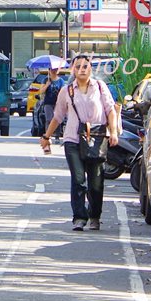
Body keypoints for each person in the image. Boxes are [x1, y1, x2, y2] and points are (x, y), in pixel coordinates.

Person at [41, 54, 120, 231]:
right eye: (78, 66)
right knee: (78, 180)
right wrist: (46, 137)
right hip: (73, 140)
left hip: (96, 139)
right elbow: (58, 116)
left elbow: (110, 111)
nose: (81, 69)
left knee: (96, 182)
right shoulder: (67, 91)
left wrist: (113, 132)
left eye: (85, 66)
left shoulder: (100, 87)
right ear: (72, 69)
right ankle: (79, 217)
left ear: (90, 68)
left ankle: (94, 216)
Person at [35, 66, 68, 140]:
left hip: (58, 103)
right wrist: (47, 85)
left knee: (57, 119)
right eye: (52, 70)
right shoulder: (46, 80)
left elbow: (63, 91)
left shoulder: (61, 81)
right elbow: (41, 91)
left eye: (55, 70)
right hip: (48, 103)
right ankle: (48, 135)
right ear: (49, 70)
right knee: (49, 119)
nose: (53, 71)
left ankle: (57, 136)